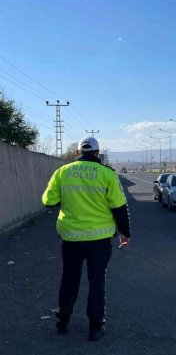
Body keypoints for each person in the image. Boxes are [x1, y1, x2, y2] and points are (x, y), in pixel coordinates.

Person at [42, 137, 131, 342]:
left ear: (77, 152)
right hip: (100, 240)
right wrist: (125, 233)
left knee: (69, 279)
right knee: (97, 282)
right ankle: (95, 327)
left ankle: (63, 320)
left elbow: (48, 201)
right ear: (98, 153)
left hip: (71, 237)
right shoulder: (107, 174)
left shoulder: (62, 172)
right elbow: (119, 207)